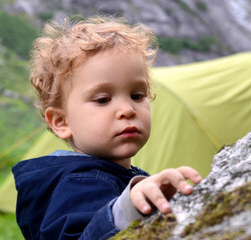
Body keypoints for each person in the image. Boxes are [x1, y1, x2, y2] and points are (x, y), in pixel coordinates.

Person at [12, 16, 202, 240]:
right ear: (62, 122)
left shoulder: (113, 175)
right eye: (103, 99)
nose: (127, 109)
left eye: (137, 95)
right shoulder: (79, 184)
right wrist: (125, 209)